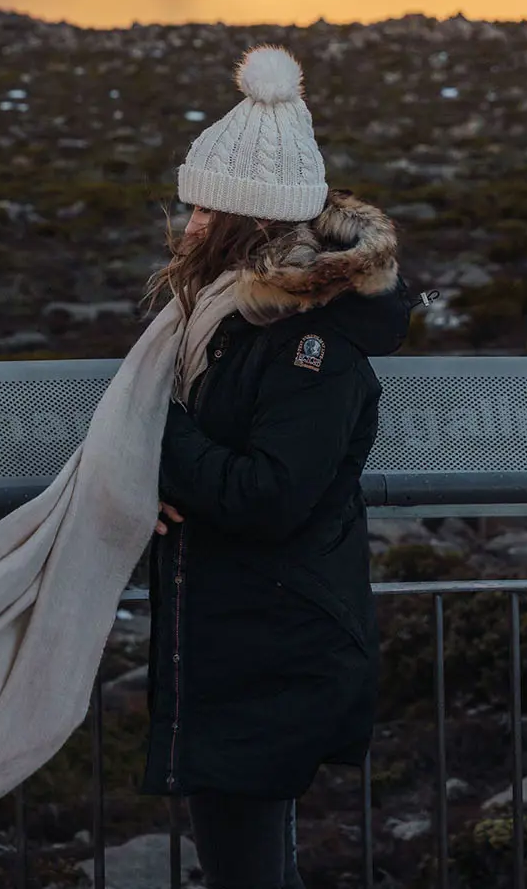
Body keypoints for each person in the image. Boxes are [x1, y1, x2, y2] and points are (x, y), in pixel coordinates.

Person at [139, 45, 413, 889]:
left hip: (271, 643)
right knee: (245, 865)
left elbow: (267, 497)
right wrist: (152, 476)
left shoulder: (309, 343)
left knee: (250, 872)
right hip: (236, 635)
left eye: (200, 213)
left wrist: (158, 437)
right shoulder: (225, 323)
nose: (185, 228)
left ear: (244, 223)